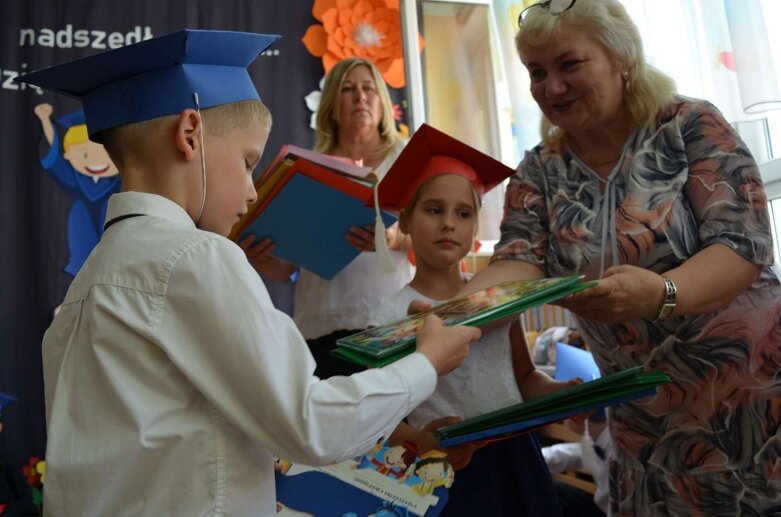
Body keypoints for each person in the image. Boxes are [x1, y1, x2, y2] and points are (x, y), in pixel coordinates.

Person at [17, 30, 481, 516]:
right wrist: (426, 362)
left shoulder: (91, 279)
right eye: (247, 162)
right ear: (189, 133)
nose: (252, 192)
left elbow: (163, 449)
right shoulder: (195, 257)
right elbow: (311, 423)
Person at [461, 0, 781, 514]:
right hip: (648, 434)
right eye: (537, 72)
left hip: (758, 410)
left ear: (620, 58)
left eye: (569, 64)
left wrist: (661, 294)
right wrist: (449, 311)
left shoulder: (687, 125)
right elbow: (518, 262)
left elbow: (742, 244)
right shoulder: (540, 170)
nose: (551, 87)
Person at [369, 124, 566, 516]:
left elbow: (525, 379)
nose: (448, 224)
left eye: (463, 213)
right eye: (433, 210)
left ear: (476, 227)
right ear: (404, 221)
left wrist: (565, 395)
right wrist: (419, 439)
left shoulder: (496, 296)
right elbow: (379, 414)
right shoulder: (389, 314)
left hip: (517, 459)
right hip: (443, 466)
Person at [243, 57, 413, 379]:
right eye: (348, 90)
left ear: (383, 102)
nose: (360, 97)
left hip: (388, 323)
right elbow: (285, 267)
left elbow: (439, 238)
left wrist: (395, 238)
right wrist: (258, 255)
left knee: (395, 428)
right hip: (319, 327)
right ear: (332, 106)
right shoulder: (308, 169)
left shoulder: (406, 159)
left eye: (368, 89)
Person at [542, 417, 610, 517]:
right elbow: (576, 453)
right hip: (606, 509)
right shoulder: (601, 440)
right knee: (555, 492)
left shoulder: (620, 451)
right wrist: (534, 459)